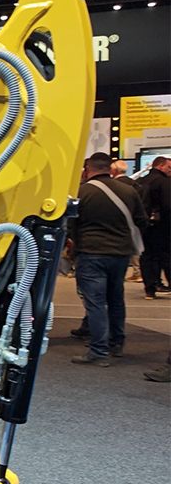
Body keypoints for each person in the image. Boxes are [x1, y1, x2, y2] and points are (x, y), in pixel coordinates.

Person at [68, 153, 146, 367]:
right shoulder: (128, 190)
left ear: (87, 170)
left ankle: (98, 351)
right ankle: (116, 344)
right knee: (116, 299)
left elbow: (71, 225)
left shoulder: (81, 193)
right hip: (121, 253)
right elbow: (141, 220)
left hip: (91, 252)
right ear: (111, 169)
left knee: (95, 303)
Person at [138, 157, 171, 300]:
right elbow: (168, 205)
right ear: (161, 166)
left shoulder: (141, 181)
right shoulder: (164, 182)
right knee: (167, 256)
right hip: (162, 225)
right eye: (169, 167)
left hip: (144, 225)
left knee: (147, 257)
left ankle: (149, 289)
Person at [111, 160, 142, 282]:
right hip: (133, 221)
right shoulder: (135, 185)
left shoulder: (112, 186)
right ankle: (137, 271)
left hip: (115, 222)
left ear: (114, 170)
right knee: (135, 247)